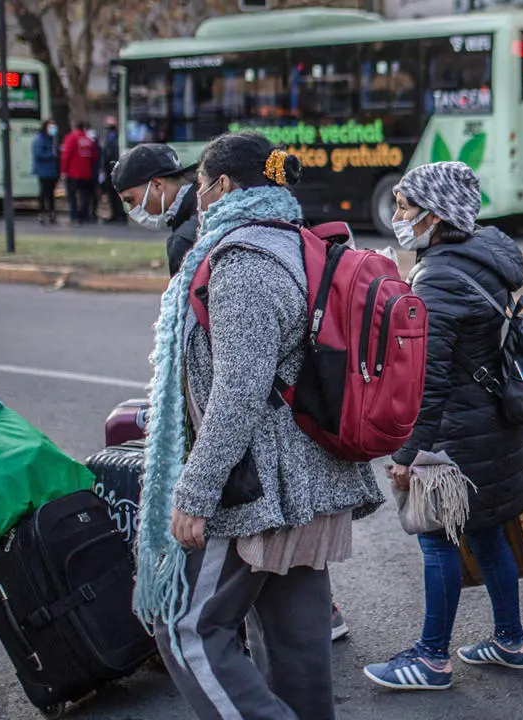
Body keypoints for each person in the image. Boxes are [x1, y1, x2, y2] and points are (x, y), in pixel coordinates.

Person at [133, 133, 383, 720]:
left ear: (222, 186)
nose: (195, 197)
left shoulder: (244, 261)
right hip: (311, 474)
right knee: (296, 638)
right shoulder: (296, 241)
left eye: (200, 186)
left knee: (186, 627)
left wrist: (196, 491)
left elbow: (239, 390)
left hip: (262, 484)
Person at [362, 161, 523, 691]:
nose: (397, 215)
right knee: (486, 535)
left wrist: (406, 456)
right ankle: (512, 641)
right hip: (497, 427)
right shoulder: (484, 257)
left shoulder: (438, 277)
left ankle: (432, 658)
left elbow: (428, 384)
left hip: (457, 437)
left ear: (436, 216)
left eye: (406, 206)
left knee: (437, 541)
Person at [111, 143, 199, 277]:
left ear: (157, 185)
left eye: (130, 200)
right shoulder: (210, 201)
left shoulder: (184, 239)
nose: (132, 211)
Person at [60, 121, 99, 224]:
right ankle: (84, 215)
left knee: (72, 195)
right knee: (84, 195)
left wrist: (63, 171)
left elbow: (66, 155)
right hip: (86, 172)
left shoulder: (71, 138)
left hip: (73, 172)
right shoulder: (88, 140)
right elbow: (94, 157)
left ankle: (74, 216)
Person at [31, 120, 59, 225]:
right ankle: (42, 213)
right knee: (44, 192)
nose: (53, 129)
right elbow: (38, 155)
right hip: (43, 170)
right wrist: (52, 154)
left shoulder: (51, 139)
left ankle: (51, 213)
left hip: (51, 170)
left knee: (51, 193)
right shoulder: (40, 139)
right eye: (51, 127)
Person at [101, 116, 126, 226]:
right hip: (108, 168)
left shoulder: (118, 136)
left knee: (116, 192)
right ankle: (115, 214)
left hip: (115, 167)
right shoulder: (108, 137)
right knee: (111, 192)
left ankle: (120, 214)